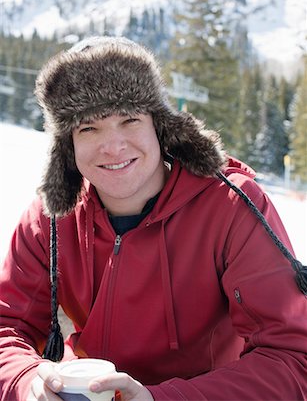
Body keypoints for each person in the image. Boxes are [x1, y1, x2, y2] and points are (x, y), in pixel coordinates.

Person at [0, 36, 306, 401]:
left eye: (129, 120)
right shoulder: (50, 219)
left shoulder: (230, 207)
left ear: (159, 127)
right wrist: (28, 382)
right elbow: (7, 327)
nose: (113, 146)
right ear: (68, 145)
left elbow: (292, 358)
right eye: (89, 128)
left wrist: (160, 399)